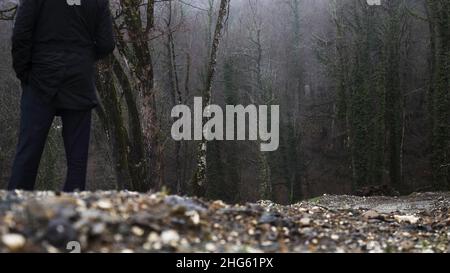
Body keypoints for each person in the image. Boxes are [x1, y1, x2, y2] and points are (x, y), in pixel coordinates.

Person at [8, 0, 115, 192]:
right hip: (79, 80)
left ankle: (14, 208)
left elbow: (21, 34)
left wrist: (24, 73)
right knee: (77, 158)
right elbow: (107, 43)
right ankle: (71, 212)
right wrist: (83, 57)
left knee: (28, 152)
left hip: (41, 77)